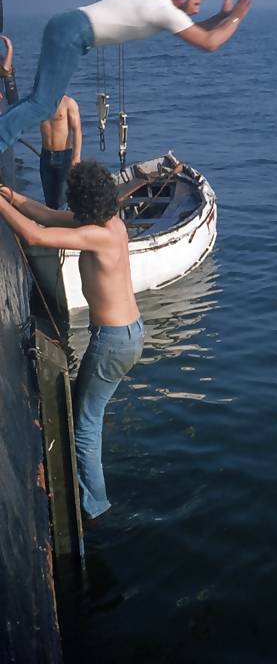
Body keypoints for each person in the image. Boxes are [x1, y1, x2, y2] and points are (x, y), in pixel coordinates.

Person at [0, 160, 144, 521]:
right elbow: (46, 216)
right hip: (125, 334)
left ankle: (94, 508)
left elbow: (35, 236)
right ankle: (89, 497)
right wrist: (12, 196)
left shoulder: (99, 234)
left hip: (114, 340)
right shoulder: (109, 224)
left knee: (85, 426)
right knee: (87, 412)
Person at [0, 0, 251, 152]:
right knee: (43, 105)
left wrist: (223, 16)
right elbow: (208, 43)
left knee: (40, 102)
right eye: (196, 4)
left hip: (66, 25)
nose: (196, 11)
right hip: (73, 33)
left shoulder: (157, 6)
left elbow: (196, 30)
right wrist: (238, 15)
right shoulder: (165, 9)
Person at [40, 95, 82, 209]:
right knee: (49, 201)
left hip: (63, 157)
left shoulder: (68, 103)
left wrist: (76, 157)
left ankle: (60, 223)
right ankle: (51, 224)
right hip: (46, 155)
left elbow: (77, 130)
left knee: (61, 200)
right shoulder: (39, 102)